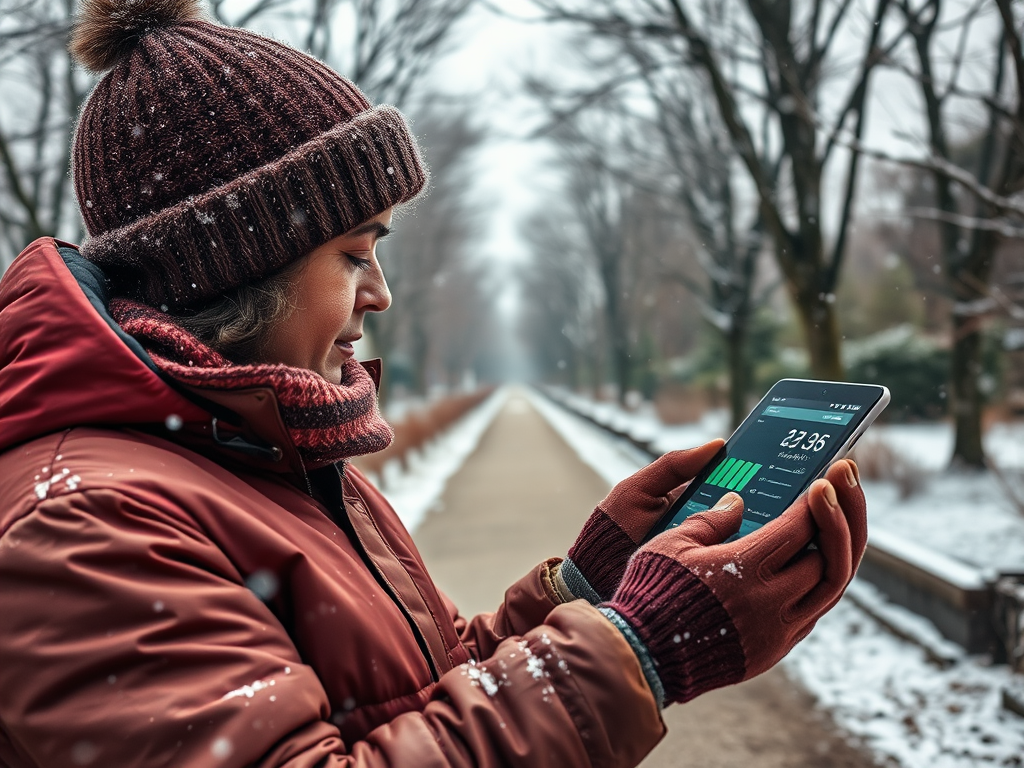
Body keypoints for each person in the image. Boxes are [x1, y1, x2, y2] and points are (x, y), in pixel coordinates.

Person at [0, 2, 868, 767]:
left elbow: (426, 691)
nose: (380, 293)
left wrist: (592, 587)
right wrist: (640, 649)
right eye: (353, 254)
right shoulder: (80, 521)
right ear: (235, 271)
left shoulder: (263, 454)